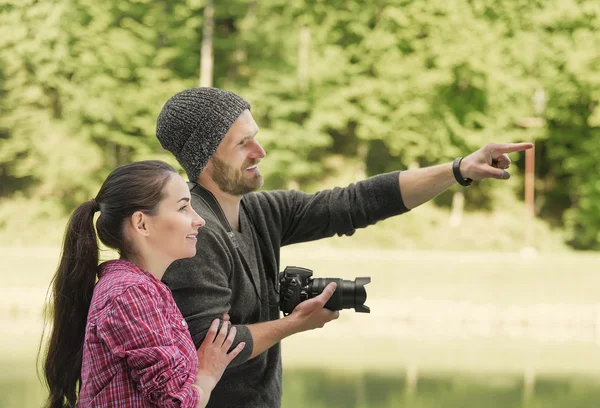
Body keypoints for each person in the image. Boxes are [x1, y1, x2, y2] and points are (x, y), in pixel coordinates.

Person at [155, 87, 533, 408]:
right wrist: (294, 324)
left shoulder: (259, 210)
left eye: (255, 135)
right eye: (243, 143)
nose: (260, 150)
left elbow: (354, 203)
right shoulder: (195, 231)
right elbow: (210, 347)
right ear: (205, 157)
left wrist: (458, 169)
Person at [41, 160, 245, 408]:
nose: (199, 219)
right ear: (142, 224)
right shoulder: (131, 293)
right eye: (183, 208)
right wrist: (206, 376)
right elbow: (176, 404)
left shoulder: (140, 289)